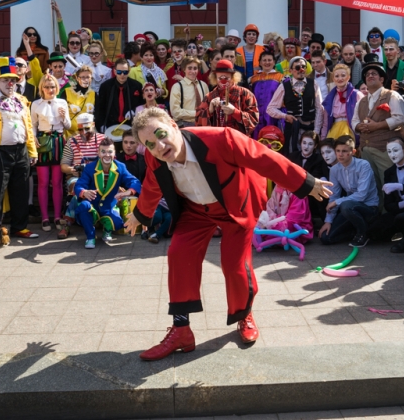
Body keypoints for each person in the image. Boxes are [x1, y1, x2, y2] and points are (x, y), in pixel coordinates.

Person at [124, 107, 331, 360]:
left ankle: (244, 315)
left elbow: (265, 158)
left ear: (174, 125)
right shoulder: (155, 158)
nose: (160, 145)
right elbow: (152, 185)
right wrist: (140, 214)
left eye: (161, 134)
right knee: (178, 253)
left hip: (235, 203)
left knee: (234, 265)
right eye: (151, 144)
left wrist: (306, 183)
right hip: (195, 209)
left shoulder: (221, 139)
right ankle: (181, 330)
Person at [0, 57, 39, 246]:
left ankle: (20, 227)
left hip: (20, 150)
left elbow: (28, 126)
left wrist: (32, 151)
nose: (10, 83)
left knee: (20, 189)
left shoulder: (22, 100)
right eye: (5, 80)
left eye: (12, 80)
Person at [353, 57, 404, 200]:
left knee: (389, 185)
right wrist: (360, 126)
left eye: (374, 73)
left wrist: (377, 125)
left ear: (382, 79)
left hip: (385, 149)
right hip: (365, 150)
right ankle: (377, 216)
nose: (370, 76)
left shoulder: (392, 95)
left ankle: (391, 216)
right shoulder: (361, 101)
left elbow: (401, 117)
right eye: (367, 74)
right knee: (373, 188)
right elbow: (354, 121)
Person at [73, 138, 141, 249]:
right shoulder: (90, 168)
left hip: (108, 207)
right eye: (103, 151)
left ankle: (107, 229)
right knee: (84, 207)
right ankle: (90, 237)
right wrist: (84, 192)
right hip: (92, 207)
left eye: (110, 152)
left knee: (118, 223)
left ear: (114, 153)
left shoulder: (120, 167)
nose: (107, 155)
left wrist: (130, 191)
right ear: (98, 153)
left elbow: (134, 181)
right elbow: (79, 185)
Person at [319, 135, 378, 247]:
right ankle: (354, 231)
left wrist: (337, 202)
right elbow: (334, 195)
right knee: (325, 238)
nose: (340, 154)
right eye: (338, 151)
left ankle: (363, 233)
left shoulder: (364, 165)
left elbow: (361, 195)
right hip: (350, 209)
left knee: (345, 205)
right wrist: (328, 221)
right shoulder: (335, 170)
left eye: (344, 151)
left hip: (368, 207)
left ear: (353, 152)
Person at [31, 73, 71, 232]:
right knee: (42, 181)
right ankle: (45, 217)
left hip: (58, 141)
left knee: (57, 182)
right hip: (42, 141)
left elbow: (67, 126)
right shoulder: (36, 104)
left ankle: (57, 216)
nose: (50, 89)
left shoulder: (62, 102)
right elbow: (33, 124)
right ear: (42, 88)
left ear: (57, 87)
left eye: (53, 86)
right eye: (47, 87)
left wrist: (63, 117)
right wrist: (33, 138)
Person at [266, 56, 324, 154]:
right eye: (297, 67)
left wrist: (316, 130)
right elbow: (270, 108)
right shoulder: (284, 86)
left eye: (303, 67)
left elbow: (319, 108)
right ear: (291, 70)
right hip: (292, 129)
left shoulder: (313, 83)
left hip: (310, 128)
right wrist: (284, 116)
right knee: (293, 156)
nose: (301, 70)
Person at [195, 59, 258, 135]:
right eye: (220, 78)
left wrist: (235, 112)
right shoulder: (210, 96)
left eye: (226, 78)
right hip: (217, 140)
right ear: (215, 78)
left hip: (238, 140)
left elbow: (254, 119)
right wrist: (210, 110)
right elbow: (198, 121)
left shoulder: (245, 94)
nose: (223, 82)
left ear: (233, 77)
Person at [288, 131, 329, 224]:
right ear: (300, 143)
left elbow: (315, 176)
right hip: (292, 189)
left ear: (315, 146)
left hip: (309, 191)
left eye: (310, 144)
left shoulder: (319, 159)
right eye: (304, 143)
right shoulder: (292, 156)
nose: (306, 147)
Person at [94, 58, 144, 134]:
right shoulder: (105, 86)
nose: (122, 75)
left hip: (130, 126)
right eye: (119, 72)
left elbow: (142, 105)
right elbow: (100, 108)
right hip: (110, 125)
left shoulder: (136, 86)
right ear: (114, 71)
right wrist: (101, 124)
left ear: (129, 71)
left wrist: (133, 111)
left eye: (125, 72)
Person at [321, 64, 362, 140]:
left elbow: (363, 116)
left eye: (343, 75)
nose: (340, 78)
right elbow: (326, 122)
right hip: (334, 129)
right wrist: (323, 138)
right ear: (333, 78)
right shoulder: (330, 97)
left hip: (351, 128)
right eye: (336, 76)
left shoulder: (357, 94)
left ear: (348, 77)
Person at [249, 51, 285, 138]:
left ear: (274, 62)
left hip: (273, 116)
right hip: (256, 115)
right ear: (260, 62)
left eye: (269, 60)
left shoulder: (281, 77)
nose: (267, 62)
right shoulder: (253, 79)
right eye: (264, 60)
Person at [170, 57, 209, 128]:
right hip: (184, 124)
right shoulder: (177, 87)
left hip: (202, 123)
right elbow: (175, 111)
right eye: (189, 68)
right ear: (184, 69)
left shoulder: (203, 85)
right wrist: (196, 113)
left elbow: (207, 105)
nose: (193, 71)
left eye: (195, 68)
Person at [59, 65, 95, 138]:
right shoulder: (67, 92)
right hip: (70, 135)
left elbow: (97, 114)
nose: (85, 80)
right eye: (83, 77)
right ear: (77, 78)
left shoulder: (94, 94)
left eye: (88, 77)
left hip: (87, 136)